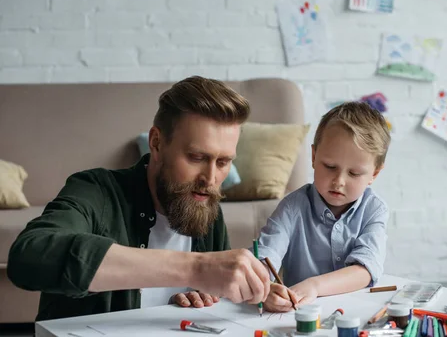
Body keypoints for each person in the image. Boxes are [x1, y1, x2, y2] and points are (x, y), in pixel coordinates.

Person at [7, 76, 271, 321]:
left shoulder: (203, 203)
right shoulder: (97, 190)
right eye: (197, 157)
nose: (210, 178)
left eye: (223, 162)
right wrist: (197, 268)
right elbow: (30, 256)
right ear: (156, 143)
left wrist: (195, 300)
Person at [255, 101, 391, 313]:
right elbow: (264, 257)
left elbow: (364, 271)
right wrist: (264, 288)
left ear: (374, 174)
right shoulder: (292, 207)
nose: (339, 181)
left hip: (355, 313)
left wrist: (315, 286)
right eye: (329, 167)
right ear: (314, 156)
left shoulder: (374, 210)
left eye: (354, 173)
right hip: (299, 313)